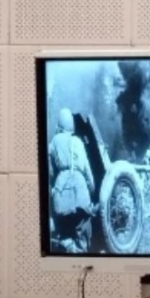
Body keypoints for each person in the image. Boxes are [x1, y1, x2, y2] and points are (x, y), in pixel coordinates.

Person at [49, 108, 96, 253]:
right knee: (83, 233)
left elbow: (50, 172)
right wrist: (91, 191)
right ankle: (80, 250)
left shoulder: (54, 141)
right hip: (82, 193)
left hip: (62, 194)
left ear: (59, 125)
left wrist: (53, 189)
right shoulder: (79, 142)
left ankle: (68, 246)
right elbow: (88, 173)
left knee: (63, 231)